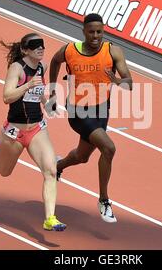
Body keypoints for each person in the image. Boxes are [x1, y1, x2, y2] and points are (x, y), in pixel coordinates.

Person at [47, 13, 133, 223]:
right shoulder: (70, 50)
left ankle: (57, 167)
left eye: (100, 32)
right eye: (92, 32)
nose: (96, 36)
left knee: (82, 157)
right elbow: (54, 60)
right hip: (78, 112)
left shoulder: (113, 51)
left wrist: (117, 81)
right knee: (109, 148)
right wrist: (52, 91)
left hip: (102, 111)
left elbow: (129, 83)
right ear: (84, 31)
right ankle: (104, 200)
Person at [0, 33, 66, 231]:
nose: (41, 48)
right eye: (35, 46)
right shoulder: (17, 68)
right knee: (4, 171)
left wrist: (47, 104)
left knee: (51, 170)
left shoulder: (42, 66)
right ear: (25, 50)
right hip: (14, 132)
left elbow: (37, 93)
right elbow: (7, 96)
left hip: (37, 129)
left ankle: (50, 218)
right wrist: (26, 85)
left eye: (42, 45)